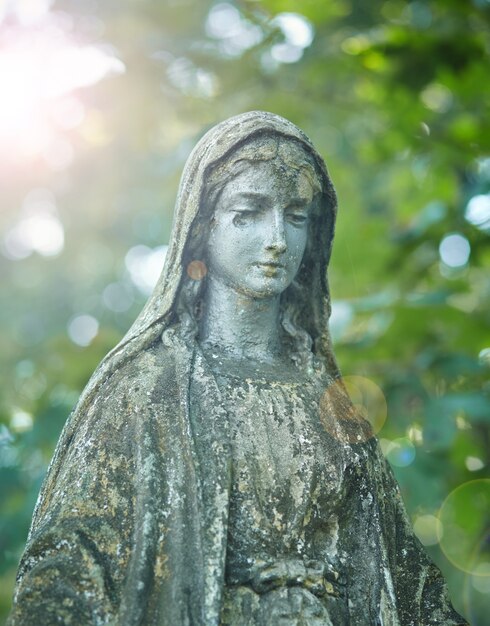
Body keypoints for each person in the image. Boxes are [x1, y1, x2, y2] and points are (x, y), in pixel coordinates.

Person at [8, 111, 467, 625]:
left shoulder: (332, 404)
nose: (277, 239)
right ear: (203, 228)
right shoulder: (144, 389)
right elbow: (72, 560)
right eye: (249, 212)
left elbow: (406, 578)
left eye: (296, 217)